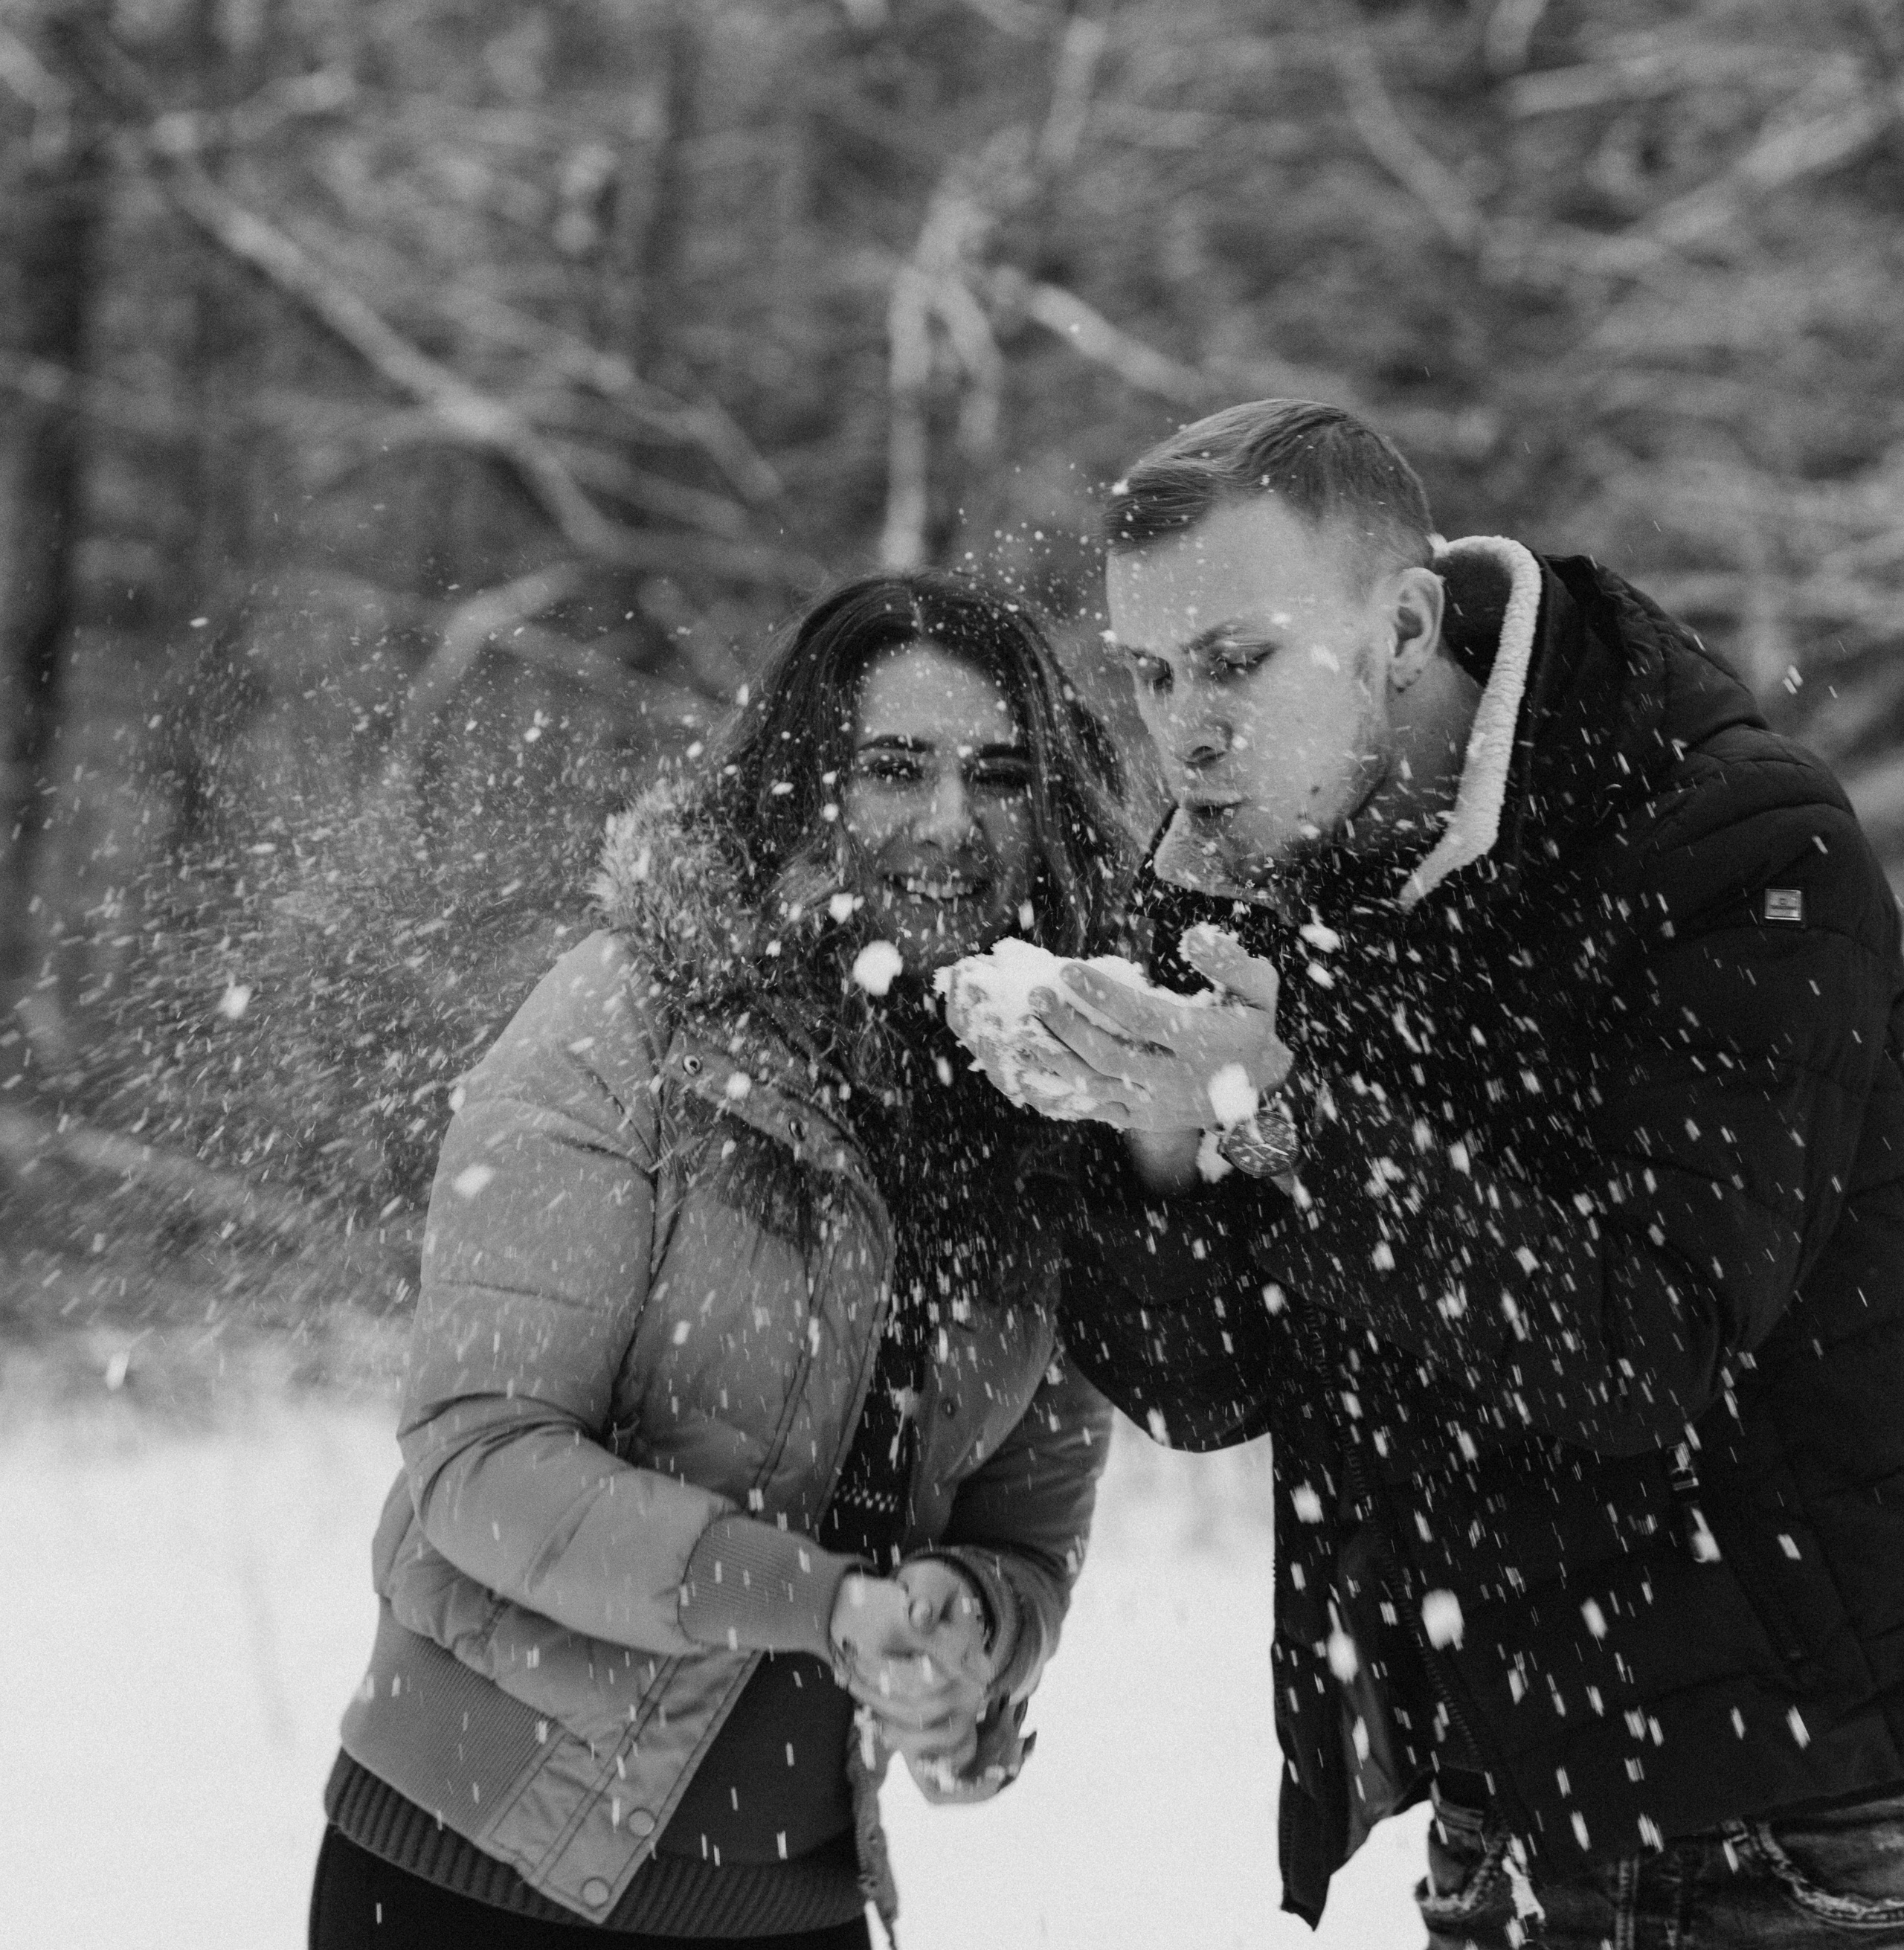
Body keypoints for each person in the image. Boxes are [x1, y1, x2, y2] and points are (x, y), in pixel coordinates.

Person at [959, 399, 1904, 1945]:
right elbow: (1206, 1386)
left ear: (1398, 626)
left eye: (1232, 660)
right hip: (1500, 1807)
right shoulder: (1235, 878)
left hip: (1797, 1819)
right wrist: (1141, 1142)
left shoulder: (1732, 845)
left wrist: (1282, 1117)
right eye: (1144, 672)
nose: (1178, 727)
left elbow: (1633, 1343)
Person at [310, 570, 1121, 1950]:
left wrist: (972, 1628)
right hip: (469, 1878)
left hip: (792, 1901)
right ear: (806, 782)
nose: (950, 823)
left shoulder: (1050, 1101)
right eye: (894, 767)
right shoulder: (626, 1023)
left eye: (997, 773)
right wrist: (815, 1599)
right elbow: (481, 1457)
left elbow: (1025, 1542)